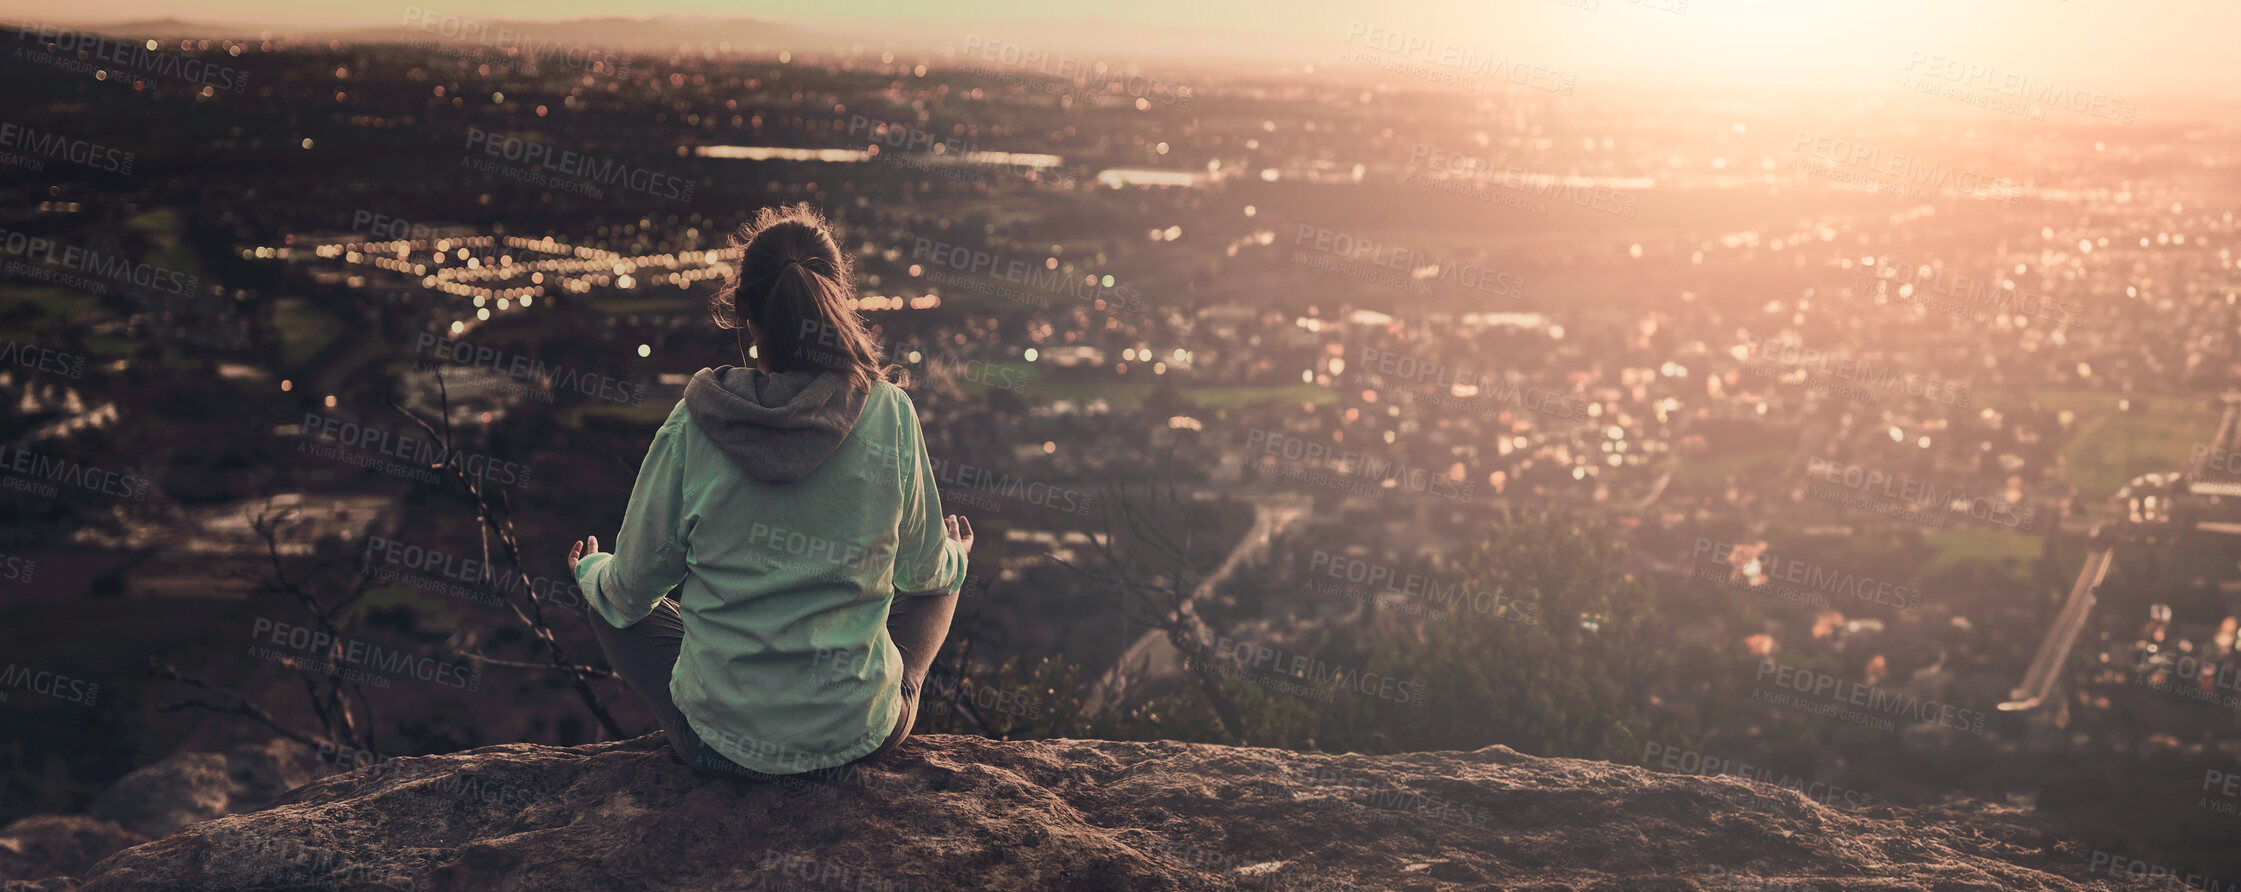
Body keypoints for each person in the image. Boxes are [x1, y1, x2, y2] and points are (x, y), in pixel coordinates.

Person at [566, 203, 972, 780]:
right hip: (859, 738)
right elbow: (925, 575)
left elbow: (629, 592)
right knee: (945, 581)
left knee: (607, 605)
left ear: (742, 312)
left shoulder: (693, 422)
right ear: (837, 302)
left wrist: (591, 571)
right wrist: (957, 556)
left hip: (720, 748)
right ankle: (870, 701)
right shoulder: (890, 413)